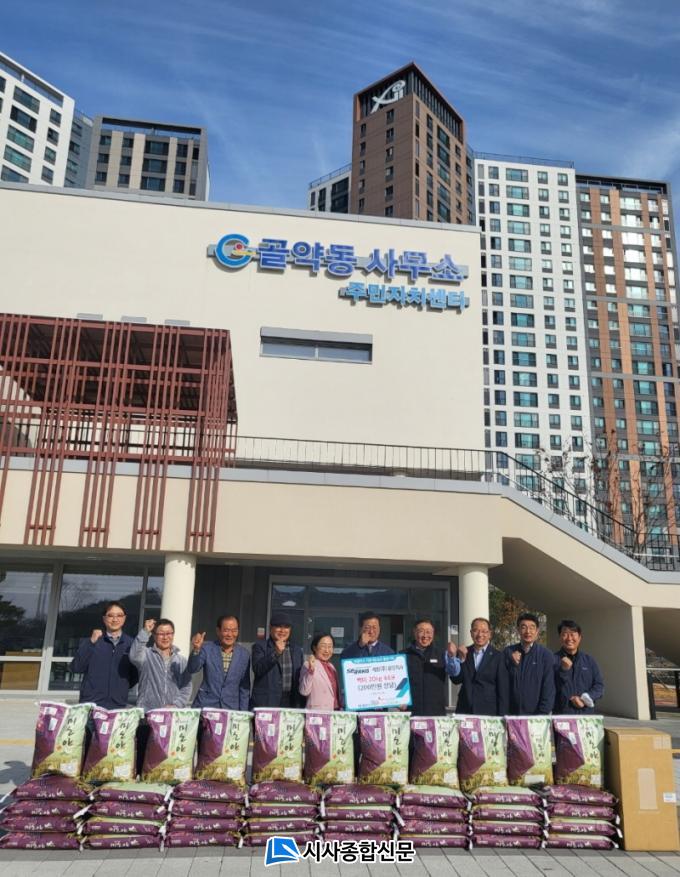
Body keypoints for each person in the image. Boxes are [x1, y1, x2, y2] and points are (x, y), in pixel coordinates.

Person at [70, 601, 138, 708]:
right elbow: (76, 667)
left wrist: (120, 687)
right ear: (104, 618)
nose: (115, 619)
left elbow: (135, 675)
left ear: (124, 618)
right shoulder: (92, 641)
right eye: (110, 615)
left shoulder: (131, 644)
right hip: (91, 705)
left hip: (117, 705)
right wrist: (91, 643)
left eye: (119, 615)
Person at [445, 617, 509, 716]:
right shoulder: (463, 652)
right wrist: (461, 660)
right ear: (471, 633)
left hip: (489, 711)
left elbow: (503, 690)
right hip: (465, 709)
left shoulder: (498, 656)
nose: (480, 635)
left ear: (490, 634)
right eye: (476, 630)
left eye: (484, 631)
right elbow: (456, 680)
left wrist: (502, 716)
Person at [188, 615, 251, 710]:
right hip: (206, 705)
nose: (230, 634)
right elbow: (192, 669)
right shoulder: (207, 648)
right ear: (218, 631)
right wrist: (196, 649)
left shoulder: (244, 654)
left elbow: (244, 687)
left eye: (234, 630)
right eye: (226, 630)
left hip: (231, 708)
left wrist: (244, 713)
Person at [129, 618, 192, 711]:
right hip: (147, 712)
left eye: (169, 633)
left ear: (173, 635)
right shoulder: (146, 655)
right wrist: (145, 632)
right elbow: (133, 655)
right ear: (154, 635)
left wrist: (176, 705)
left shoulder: (181, 661)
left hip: (171, 714)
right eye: (161, 634)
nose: (165, 637)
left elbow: (186, 687)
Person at [504, 612, 555, 715]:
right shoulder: (508, 652)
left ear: (537, 631)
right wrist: (511, 662)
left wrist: (542, 715)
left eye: (532, 628)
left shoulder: (545, 655)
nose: (528, 631)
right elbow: (502, 683)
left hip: (536, 716)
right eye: (524, 627)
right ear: (518, 630)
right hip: (512, 715)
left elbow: (548, 687)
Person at [251, 612, 304, 709]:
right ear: (271, 628)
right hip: (267, 701)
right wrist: (276, 652)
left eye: (286, 627)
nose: (282, 630)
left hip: (290, 701)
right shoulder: (260, 646)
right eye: (279, 626)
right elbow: (258, 669)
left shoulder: (297, 650)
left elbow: (300, 676)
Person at [553, 619, 604, 714]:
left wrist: (586, 698)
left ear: (580, 637)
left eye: (573, 634)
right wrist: (563, 671)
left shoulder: (589, 661)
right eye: (565, 634)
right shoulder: (552, 660)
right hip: (562, 715)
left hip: (586, 715)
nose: (569, 638)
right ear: (560, 637)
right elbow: (549, 688)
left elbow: (599, 686)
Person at [403, 619, 450, 716]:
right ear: (414, 633)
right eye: (421, 631)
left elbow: (455, 675)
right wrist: (399, 700)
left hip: (436, 713)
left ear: (433, 634)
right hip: (411, 712)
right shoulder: (403, 655)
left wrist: (453, 657)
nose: (425, 636)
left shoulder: (442, 655)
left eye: (428, 632)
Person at [299, 633, 340, 710]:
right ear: (315, 648)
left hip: (333, 711)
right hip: (317, 713)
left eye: (330, 646)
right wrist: (311, 671)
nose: (327, 650)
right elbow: (304, 691)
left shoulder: (331, 667)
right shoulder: (308, 665)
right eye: (323, 646)